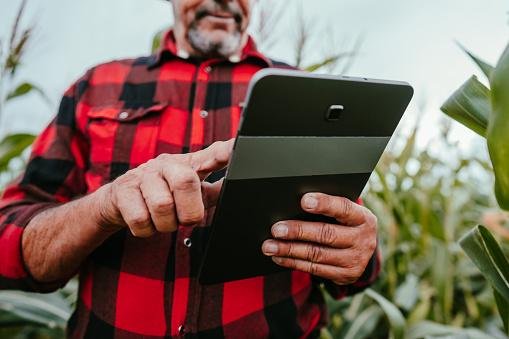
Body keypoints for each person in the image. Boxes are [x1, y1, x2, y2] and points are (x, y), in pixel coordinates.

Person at [0, 0, 380, 337]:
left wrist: (361, 252)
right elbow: (10, 250)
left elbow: (349, 244)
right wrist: (105, 205)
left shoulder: (305, 94)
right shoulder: (98, 87)